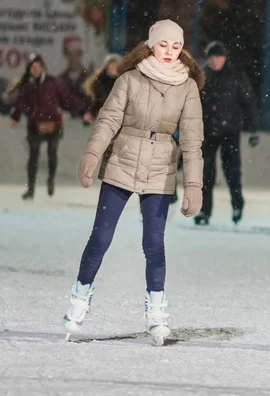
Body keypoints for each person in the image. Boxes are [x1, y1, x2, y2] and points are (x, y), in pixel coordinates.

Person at [64, 20, 204, 345]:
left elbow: (192, 141)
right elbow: (109, 119)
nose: (170, 52)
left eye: (176, 46)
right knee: (101, 237)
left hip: (160, 171)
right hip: (122, 162)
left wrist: (194, 184)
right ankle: (79, 298)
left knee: (154, 245)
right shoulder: (129, 79)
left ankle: (156, 310)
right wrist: (92, 153)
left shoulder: (188, 88)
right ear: (151, 45)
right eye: (164, 44)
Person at [195, 41, 259, 226]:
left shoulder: (235, 75)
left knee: (232, 170)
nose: (214, 62)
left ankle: (237, 204)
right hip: (207, 130)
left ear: (224, 58)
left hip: (230, 129)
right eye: (211, 58)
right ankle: (205, 210)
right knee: (206, 172)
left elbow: (249, 102)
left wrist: (253, 130)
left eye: (218, 58)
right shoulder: (202, 76)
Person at [11, 54, 89, 200]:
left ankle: (51, 179)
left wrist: (82, 111)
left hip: (54, 123)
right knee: (33, 157)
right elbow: (20, 102)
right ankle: (31, 189)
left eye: (38, 66)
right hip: (35, 125)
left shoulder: (52, 83)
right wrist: (16, 116)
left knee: (52, 153)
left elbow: (68, 98)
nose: (35, 69)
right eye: (32, 67)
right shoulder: (27, 85)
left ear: (42, 67)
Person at [83, 53, 122, 118]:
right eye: (111, 67)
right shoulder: (100, 81)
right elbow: (98, 100)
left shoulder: (123, 80)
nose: (113, 69)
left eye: (115, 67)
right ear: (106, 68)